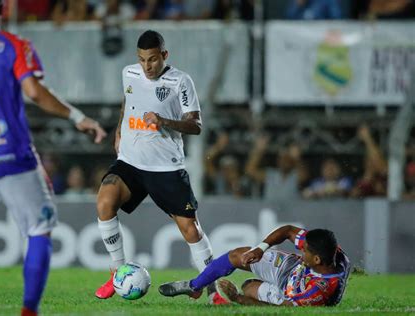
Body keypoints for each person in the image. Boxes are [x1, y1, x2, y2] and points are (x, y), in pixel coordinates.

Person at [0, 1, 107, 315]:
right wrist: (78, 117)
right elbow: (34, 91)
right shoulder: (14, 46)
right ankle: (29, 310)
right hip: (12, 153)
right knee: (38, 231)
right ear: (2, 10)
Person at [94, 30, 227, 305]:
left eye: (153, 59)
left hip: (165, 167)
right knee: (105, 201)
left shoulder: (180, 81)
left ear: (164, 55)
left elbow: (196, 125)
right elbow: (127, 102)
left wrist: (165, 121)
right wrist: (119, 130)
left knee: (191, 230)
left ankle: (213, 292)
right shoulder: (128, 73)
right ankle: (117, 270)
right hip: (130, 161)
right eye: (142, 60)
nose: (147, 66)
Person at [159, 225, 350, 307]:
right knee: (239, 255)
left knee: (248, 288)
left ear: (316, 260)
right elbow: (288, 230)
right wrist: (261, 248)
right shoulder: (328, 250)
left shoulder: (319, 291)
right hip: (292, 269)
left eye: (305, 251)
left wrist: (237, 298)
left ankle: (251, 290)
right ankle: (194, 286)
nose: (301, 251)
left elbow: (284, 310)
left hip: (288, 293)